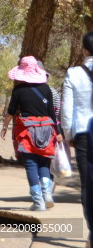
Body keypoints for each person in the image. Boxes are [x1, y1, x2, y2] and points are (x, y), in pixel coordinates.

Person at [1, 55, 61, 211]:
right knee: (44, 162)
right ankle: (47, 195)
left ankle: (38, 202)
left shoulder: (18, 90)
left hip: (26, 131)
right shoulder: (46, 89)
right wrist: (58, 132)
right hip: (47, 130)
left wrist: (5, 126)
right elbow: (52, 113)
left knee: (31, 164)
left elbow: (11, 111)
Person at [62, 32, 93, 232]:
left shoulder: (73, 73)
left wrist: (68, 134)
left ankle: (91, 231)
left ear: (84, 50)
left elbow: (67, 109)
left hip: (83, 133)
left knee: (87, 184)